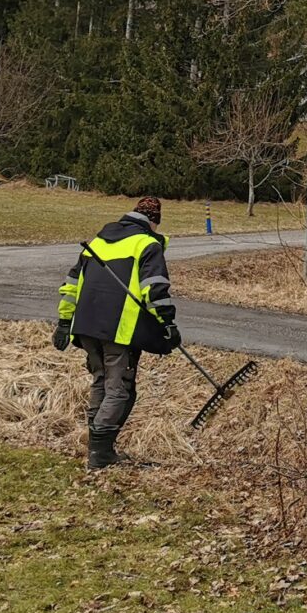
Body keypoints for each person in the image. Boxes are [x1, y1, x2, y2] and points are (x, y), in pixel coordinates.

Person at [54, 196, 179, 469]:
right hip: (118, 330)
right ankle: (101, 454)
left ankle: (96, 446)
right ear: (154, 221)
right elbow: (155, 288)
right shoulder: (147, 244)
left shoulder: (97, 243)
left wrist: (64, 322)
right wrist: (168, 323)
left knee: (101, 381)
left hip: (86, 326)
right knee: (120, 389)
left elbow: (71, 284)